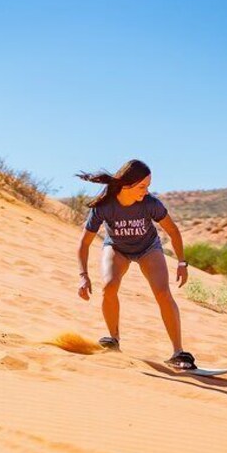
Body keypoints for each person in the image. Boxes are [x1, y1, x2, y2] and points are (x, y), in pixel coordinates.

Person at [75, 159, 197, 370]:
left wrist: (182, 262)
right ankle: (113, 339)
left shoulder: (150, 204)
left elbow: (173, 231)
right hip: (117, 248)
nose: (146, 191)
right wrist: (83, 275)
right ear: (126, 184)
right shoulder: (104, 206)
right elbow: (84, 243)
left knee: (162, 292)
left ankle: (179, 353)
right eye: (142, 186)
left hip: (148, 248)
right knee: (109, 286)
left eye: (148, 186)